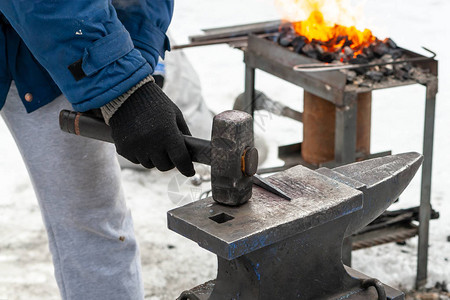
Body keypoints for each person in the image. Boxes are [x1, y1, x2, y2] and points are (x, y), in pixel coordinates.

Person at [0, 1, 192, 299]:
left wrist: (132, 58)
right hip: (57, 20)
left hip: (62, 41)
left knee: (95, 223)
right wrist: (126, 91)